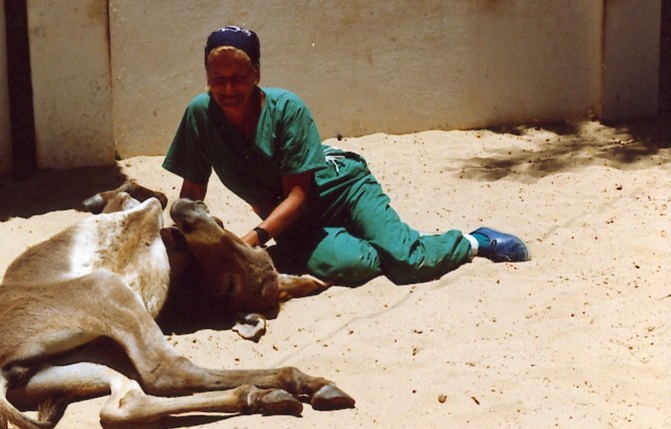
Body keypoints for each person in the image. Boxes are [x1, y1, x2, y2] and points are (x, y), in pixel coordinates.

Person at [163, 26, 530, 288]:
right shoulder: (199, 115)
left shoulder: (287, 109)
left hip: (341, 188)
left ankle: (473, 241)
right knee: (352, 267)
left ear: (256, 74)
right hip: (292, 224)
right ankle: (383, 243)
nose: (228, 88)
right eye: (218, 79)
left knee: (408, 264)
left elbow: (297, 195)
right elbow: (191, 195)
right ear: (207, 78)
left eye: (238, 77)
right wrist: (186, 245)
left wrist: (247, 243)